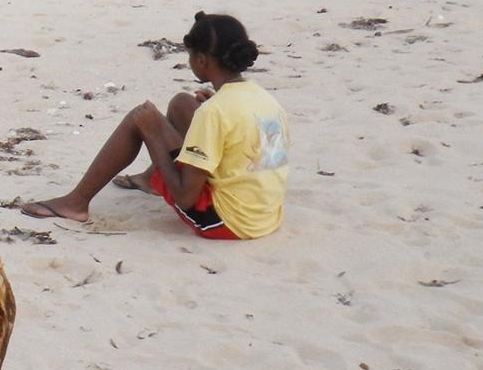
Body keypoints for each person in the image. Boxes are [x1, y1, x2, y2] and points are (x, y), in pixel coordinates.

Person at [20, 12, 290, 239]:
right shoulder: (264, 99)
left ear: (201, 60)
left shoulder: (214, 112)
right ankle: (148, 180)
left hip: (225, 222)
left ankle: (76, 203)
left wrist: (152, 137)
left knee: (141, 117)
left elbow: (185, 198)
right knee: (183, 103)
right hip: (264, 216)